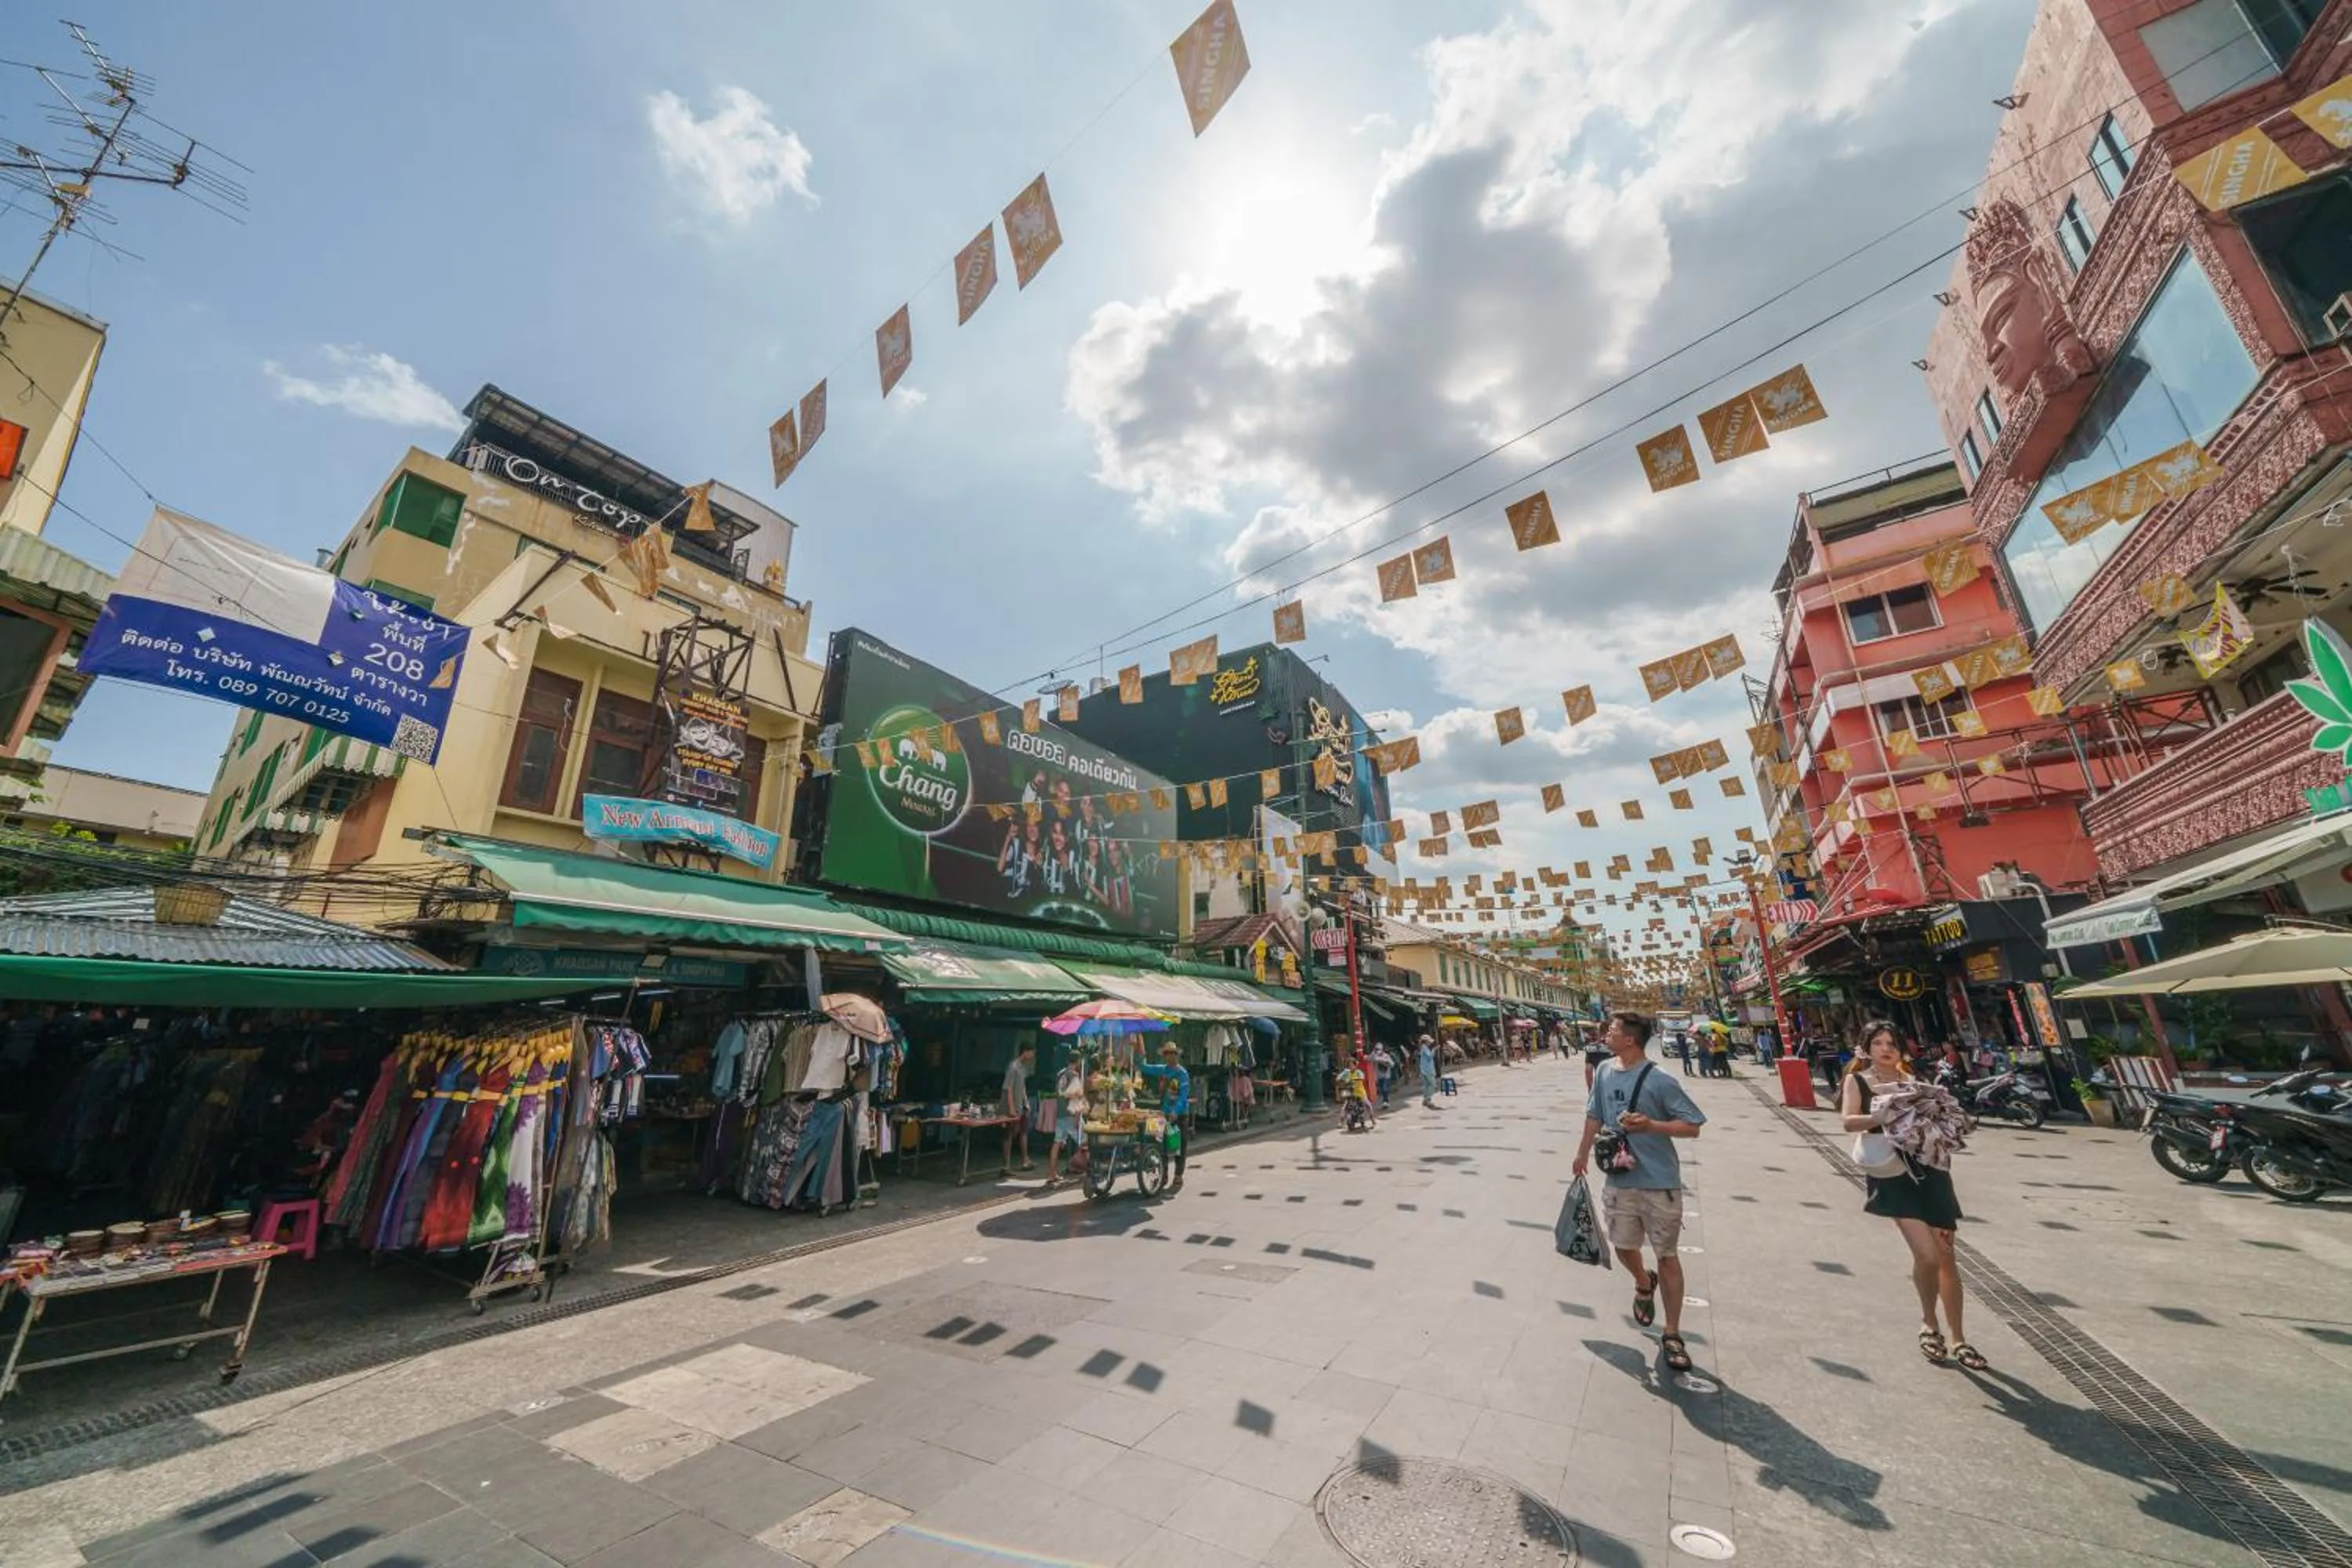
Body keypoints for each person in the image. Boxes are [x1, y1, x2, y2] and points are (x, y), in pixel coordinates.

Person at [1573, 1011, 1707, 1374]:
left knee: (1667, 1254)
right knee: (1623, 1246)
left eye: (1613, 1029)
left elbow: (1693, 1125)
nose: (1607, 1033)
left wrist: (1652, 1125)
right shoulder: (1602, 1071)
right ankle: (1642, 1281)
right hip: (1618, 1178)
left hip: (1659, 1180)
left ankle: (1673, 1333)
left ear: (1630, 1038)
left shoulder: (1661, 1080)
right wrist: (1581, 1153)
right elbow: (1594, 1115)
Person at [1842, 1020, 1980, 1369]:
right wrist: (1881, 1115)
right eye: (1878, 1043)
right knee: (1928, 1255)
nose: (1886, 1049)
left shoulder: (1914, 1083)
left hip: (1932, 1172)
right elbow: (1848, 1122)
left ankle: (1959, 1337)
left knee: (1947, 1256)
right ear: (1866, 1049)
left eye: (1892, 1043)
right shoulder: (1858, 1081)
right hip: (1893, 1175)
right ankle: (1928, 1323)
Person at [1138, 1040, 1192, 1192]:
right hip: (1164, 1114)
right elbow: (1144, 1067)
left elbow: (1183, 1096)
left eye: (1172, 1054)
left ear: (1177, 1055)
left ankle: (1178, 1175)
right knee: (1162, 1146)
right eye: (1167, 1054)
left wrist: (1176, 1111)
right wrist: (1139, 1051)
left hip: (1179, 1115)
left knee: (1179, 1146)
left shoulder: (1182, 1074)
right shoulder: (1163, 1070)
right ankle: (1164, 1175)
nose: (1169, 1056)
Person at [1046, 1051, 1088, 1185]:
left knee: (1057, 1143)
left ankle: (1052, 1173)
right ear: (1078, 1061)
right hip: (1071, 1113)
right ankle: (1087, 1170)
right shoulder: (1074, 1076)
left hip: (1060, 1113)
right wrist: (1077, 1115)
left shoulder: (1060, 1074)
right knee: (1085, 1141)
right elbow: (1076, 1097)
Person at [1002, 1045, 1036, 1173]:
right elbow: (1008, 1088)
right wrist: (1011, 1108)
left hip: (1021, 1106)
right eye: (1031, 1053)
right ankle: (1006, 1165)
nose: (1032, 1056)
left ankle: (1025, 1160)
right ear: (1025, 1052)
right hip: (1013, 1106)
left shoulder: (1023, 1069)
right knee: (1009, 1134)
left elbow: (1022, 1088)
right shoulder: (1013, 1067)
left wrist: (1026, 1104)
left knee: (1023, 1132)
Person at [1417, 1033, 1440, 1109]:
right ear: (1426, 1041)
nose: (1430, 1043)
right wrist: (1434, 1050)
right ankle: (1428, 1100)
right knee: (1432, 1084)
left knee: (1427, 1085)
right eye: (1429, 1041)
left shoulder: (1423, 1048)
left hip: (1425, 1069)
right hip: (1428, 1070)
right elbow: (1430, 1057)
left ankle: (1425, 1099)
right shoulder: (1424, 1048)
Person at [1371, 1041, 1396, 1107]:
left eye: (1378, 1049)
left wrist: (1385, 1061)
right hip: (1379, 1076)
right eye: (1376, 1049)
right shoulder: (1374, 1056)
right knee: (1382, 1089)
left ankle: (1386, 1101)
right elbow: (1370, 1060)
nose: (1377, 1051)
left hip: (1386, 1076)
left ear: (1382, 1049)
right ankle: (1385, 1100)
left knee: (1385, 1088)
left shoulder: (1386, 1056)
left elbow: (1392, 1064)